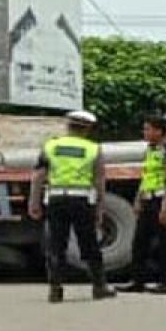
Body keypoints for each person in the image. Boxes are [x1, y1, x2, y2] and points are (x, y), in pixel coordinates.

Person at [28, 111, 117, 304]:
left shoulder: (51, 146)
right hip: (81, 200)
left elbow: (38, 176)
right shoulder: (93, 148)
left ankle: (55, 290)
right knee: (90, 244)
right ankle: (99, 286)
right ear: (87, 128)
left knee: (56, 245)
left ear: (68, 126)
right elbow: (99, 180)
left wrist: (33, 202)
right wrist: (100, 207)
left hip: (56, 199)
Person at [119, 114, 166, 295]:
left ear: (159, 131)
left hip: (163, 201)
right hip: (148, 199)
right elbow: (146, 176)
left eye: (147, 129)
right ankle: (138, 281)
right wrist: (138, 199)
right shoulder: (150, 150)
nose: (144, 132)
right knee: (139, 242)